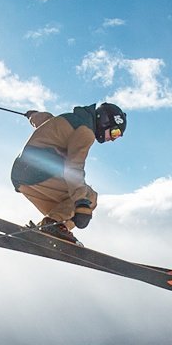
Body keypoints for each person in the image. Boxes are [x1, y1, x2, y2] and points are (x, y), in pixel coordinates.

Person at [11, 102, 126, 245]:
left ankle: (52, 227)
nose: (113, 139)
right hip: (38, 172)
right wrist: (81, 201)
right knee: (90, 197)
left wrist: (33, 116)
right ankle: (54, 226)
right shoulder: (86, 132)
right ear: (104, 122)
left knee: (65, 207)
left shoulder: (70, 120)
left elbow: (47, 121)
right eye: (114, 133)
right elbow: (74, 166)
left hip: (22, 176)